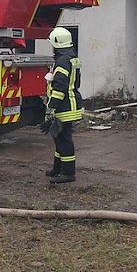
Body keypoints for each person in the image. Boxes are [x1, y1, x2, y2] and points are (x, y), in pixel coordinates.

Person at [43, 26, 83, 184]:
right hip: (70, 104)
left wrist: (51, 106)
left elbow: (60, 87)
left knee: (64, 140)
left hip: (64, 107)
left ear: (57, 43)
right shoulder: (72, 58)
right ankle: (57, 168)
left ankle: (68, 173)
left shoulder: (62, 61)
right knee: (59, 139)